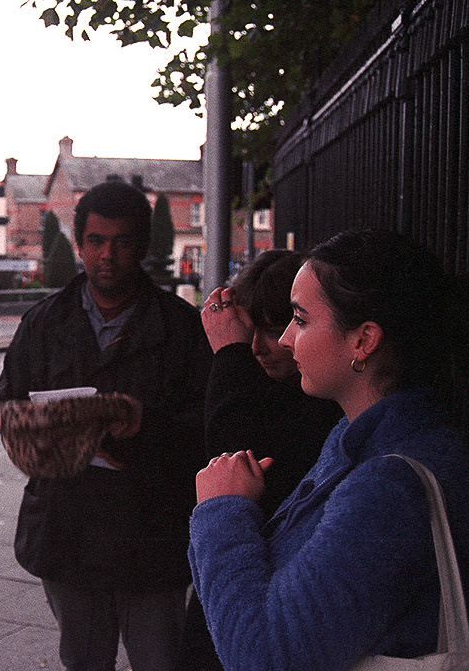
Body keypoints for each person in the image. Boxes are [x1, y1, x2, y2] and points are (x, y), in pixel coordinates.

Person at [188, 229, 469, 671]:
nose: (287, 339)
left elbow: (266, 655)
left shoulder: (387, 489)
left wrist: (223, 510)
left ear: (363, 341)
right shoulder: (361, 440)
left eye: (301, 319)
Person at [0, 181, 213, 671]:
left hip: (152, 534)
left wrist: (144, 426)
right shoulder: (43, 324)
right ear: (80, 243)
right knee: (83, 659)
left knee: (159, 660)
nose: (107, 255)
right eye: (95, 241)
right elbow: (8, 408)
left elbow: (209, 424)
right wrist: (53, 433)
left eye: (122, 241)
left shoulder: (182, 328)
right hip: (68, 529)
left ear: (142, 245)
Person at [182, 251, 342, 671]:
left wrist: (229, 355)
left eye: (278, 329)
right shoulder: (265, 384)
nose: (260, 348)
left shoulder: (322, 403)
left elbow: (235, 463)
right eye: (249, 332)